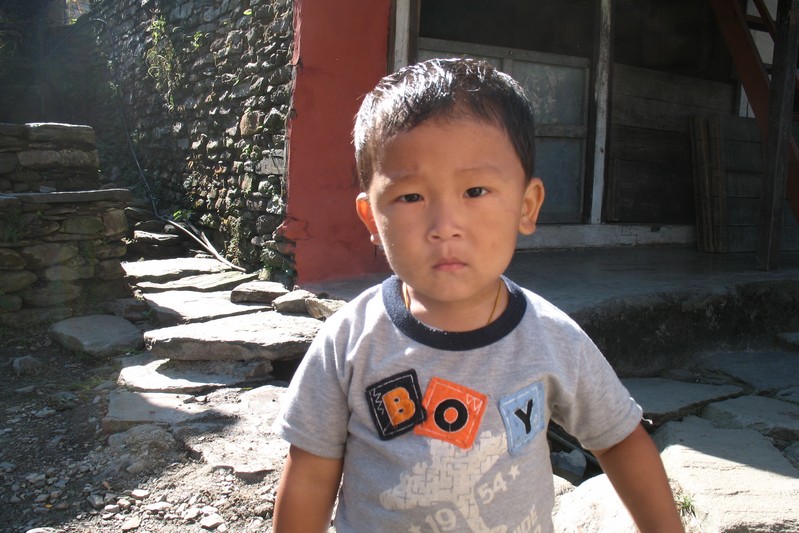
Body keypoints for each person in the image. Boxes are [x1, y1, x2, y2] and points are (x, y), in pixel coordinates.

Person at [272, 58, 684, 533]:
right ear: (371, 219)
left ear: (526, 206)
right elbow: (310, 475)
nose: (445, 226)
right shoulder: (350, 341)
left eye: (475, 190)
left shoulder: (552, 339)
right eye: (411, 197)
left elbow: (619, 441)